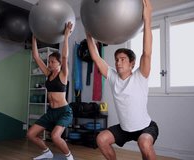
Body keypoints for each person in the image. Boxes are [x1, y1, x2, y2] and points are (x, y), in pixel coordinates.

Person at [85, 0, 159, 159]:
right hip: (125, 129)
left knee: (144, 144)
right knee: (101, 139)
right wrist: (88, 31)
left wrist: (147, 19)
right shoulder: (112, 76)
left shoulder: (141, 76)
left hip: (145, 127)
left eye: (123, 59)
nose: (118, 62)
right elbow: (96, 58)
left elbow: (147, 52)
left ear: (132, 63)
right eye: (116, 59)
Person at [27, 22, 74, 160]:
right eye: (49, 61)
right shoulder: (48, 73)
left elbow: (65, 56)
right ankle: (47, 152)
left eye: (53, 61)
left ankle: (69, 156)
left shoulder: (63, 74)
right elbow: (36, 57)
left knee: (55, 136)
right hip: (51, 112)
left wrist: (66, 36)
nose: (49, 63)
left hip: (64, 112)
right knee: (30, 134)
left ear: (59, 63)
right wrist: (34, 39)